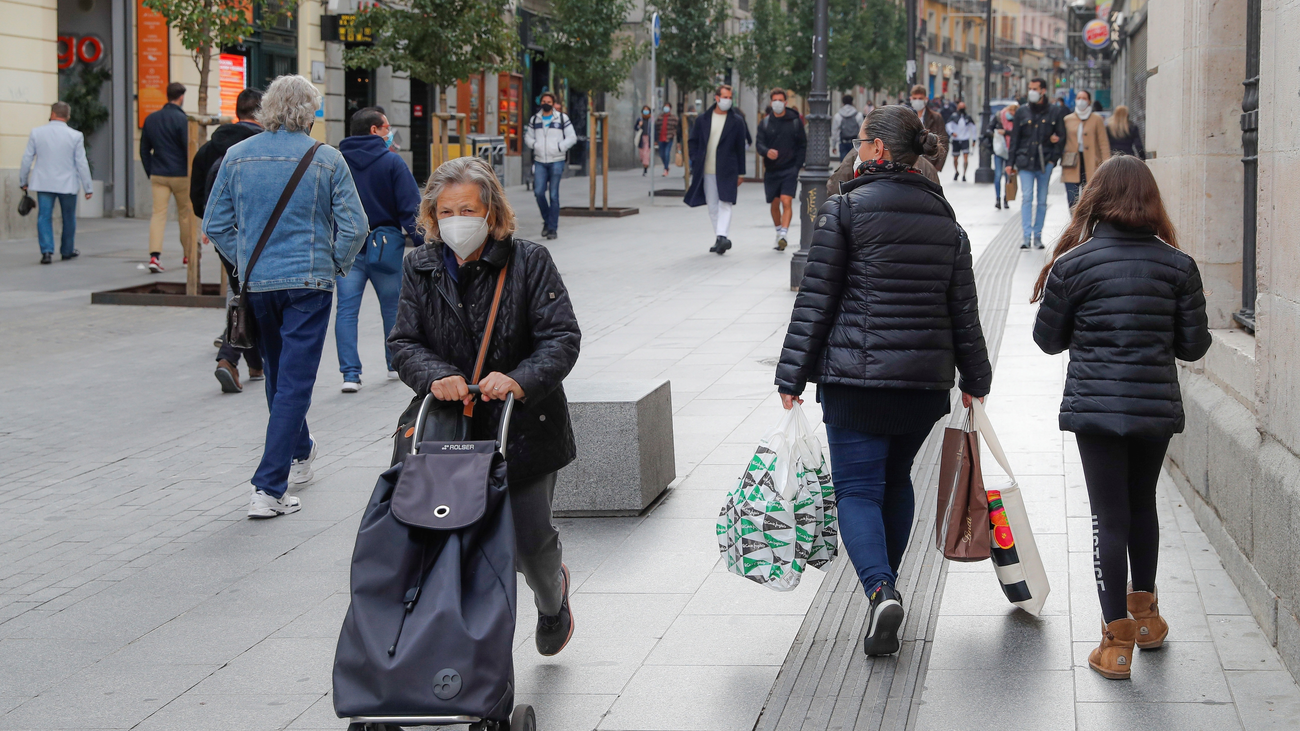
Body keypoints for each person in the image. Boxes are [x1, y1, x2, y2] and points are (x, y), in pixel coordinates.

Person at [776, 105, 992, 657]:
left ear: (877, 150)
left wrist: (791, 374)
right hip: (922, 387)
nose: (856, 147)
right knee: (895, 484)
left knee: (856, 490)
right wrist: (976, 378)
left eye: (862, 139)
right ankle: (887, 596)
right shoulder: (946, 220)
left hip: (856, 380)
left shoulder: (844, 210)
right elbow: (964, 311)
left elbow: (816, 301)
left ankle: (880, 592)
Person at [388, 156, 581, 657]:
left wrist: (518, 379)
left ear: (491, 212)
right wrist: (438, 376)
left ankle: (551, 598)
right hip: (449, 429)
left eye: (467, 209)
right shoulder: (419, 266)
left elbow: (561, 338)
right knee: (448, 535)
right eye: (446, 210)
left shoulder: (529, 261)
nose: (457, 220)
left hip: (523, 426)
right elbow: (403, 343)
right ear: (432, 215)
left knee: (530, 543)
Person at [1032, 155, 1210, 680]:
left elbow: (1047, 341)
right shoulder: (1179, 265)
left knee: (1108, 517)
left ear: (1096, 198)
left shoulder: (1074, 264)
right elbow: (1194, 346)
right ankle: (1147, 619)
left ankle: (1115, 644)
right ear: (1151, 200)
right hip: (1153, 408)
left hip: (1097, 410)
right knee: (1142, 507)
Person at [204, 74, 369, 519]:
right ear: (310, 113)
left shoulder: (236, 156)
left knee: (278, 376)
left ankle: (302, 450)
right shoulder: (327, 159)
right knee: (291, 380)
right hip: (308, 285)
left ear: (266, 109)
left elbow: (214, 224)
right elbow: (356, 227)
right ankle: (267, 488)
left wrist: (242, 261)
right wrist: (332, 265)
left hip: (259, 283)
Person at [335, 107, 424, 393]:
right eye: (387, 128)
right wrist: (425, 246)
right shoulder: (392, 163)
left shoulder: (336, 162)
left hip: (347, 246)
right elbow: (410, 210)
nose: (390, 133)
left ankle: (350, 374)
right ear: (375, 130)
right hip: (384, 246)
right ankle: (394, 363)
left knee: (346, 311)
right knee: (393, 308)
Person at [192, 88, 266, 394]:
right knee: (250, 299)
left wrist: (215, 228)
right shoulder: (261, 146)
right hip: (256, 236)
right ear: (261, 113)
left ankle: (254, 364)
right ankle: (228, 358)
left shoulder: (209, 148)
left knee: (242, 294)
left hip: (224, 235)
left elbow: (198, 199)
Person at [19, 101, 93, 265]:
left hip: (44, 183)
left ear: (52, 114)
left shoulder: (37, 133)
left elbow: (27, 159)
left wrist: (23, 180)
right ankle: (67, 251)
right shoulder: (75, 136)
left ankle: (46, 252)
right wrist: (88, 187)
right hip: (67, 184)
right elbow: (81, 162)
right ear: (67, 116)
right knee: (68, 218)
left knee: (44, 217)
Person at [684, 84, 747, 255]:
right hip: (706, 169)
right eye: (724, 97)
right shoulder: (703, 119)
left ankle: (722, 236)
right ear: (716, 98)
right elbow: (693, 141)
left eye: (730, 97)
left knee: (725, 203)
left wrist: (741, 172)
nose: (727, 100)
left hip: (728, 169)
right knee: (712, 205)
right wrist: (695, 159)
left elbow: (740, 148)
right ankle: (720, 238)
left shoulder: (737, 121)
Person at [140, 82, 195, 274]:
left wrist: (151, 171)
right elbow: (188, 148)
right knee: (185, 215)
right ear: (181, 97)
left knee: (158, 214)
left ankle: (154, 256)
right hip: (181, 174)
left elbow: (144, 149)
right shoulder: (183, 120)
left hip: (159, 174)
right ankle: (188, 255)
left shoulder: (151, 119)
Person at [1006, 77, 1066, 249]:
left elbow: (1061, 137)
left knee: (1041, 200)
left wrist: (1053, 160)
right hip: (1025, 161)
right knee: (1027, 198)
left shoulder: (1054, 111)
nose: (1031, 91)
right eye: (1030, 88)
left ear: (1043, 91)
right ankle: (1026, 236)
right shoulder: (1022, 112)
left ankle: (1037, 236)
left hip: (1044, 162)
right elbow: (1015, 138)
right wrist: (1010, 162)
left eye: (1035, 88)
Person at [756, 88, 807, 252]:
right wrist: (766, 152)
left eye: (780, 100)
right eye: (774, 100)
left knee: (786, 200)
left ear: (785, 102)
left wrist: (797, 166)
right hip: (771, 170)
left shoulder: (795, 121)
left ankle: (784, 234)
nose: (777, 103)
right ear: (771, 103)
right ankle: (778, 232)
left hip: (789, 169)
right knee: (774, 203)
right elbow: (759, 144)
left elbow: (802, 145)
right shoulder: (765, 123)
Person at [523, 92, 576, 241]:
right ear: (541, 103)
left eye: (549, 101)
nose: (546, 103)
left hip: (557, 160)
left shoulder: (561, 118)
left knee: (553, 195)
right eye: (544, 101)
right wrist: (535, 145)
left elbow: (572, 137)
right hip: (540, 160)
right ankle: (547, 221)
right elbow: (528, 137)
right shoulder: (535, 119)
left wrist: (560, 147)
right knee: (539, 192)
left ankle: (552, 228)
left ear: (553, 103)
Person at [1061, 90, 1111, 209]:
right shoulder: (1068, 119)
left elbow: (1103, 142)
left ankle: (1085, 223)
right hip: (1071, 162)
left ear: (1089, 101)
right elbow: (1061, 140)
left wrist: (1107, 162)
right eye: (1079, 98)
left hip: (1091, 163)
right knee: (1072, 198)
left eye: (1084, 98)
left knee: (1089, 197)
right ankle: (1074, 223)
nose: (1081, 101)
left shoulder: (1096, 119)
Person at [908, 85, 950, 171]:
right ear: (911, 99)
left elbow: (944, 142)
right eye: (915, 98)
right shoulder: (906, 117)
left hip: (929, 165)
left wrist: (937, 167)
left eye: (920, 98)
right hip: (909, 165)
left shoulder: (936, 118)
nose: (917, 101)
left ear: (925, 99)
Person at [988, 102, 1018, 209]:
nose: (1011, 115)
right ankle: (997, 199)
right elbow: (989, 129)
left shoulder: (1016, 120)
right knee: (997, 175)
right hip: (999, 150)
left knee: (1008, 176)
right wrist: (995, 134)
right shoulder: (999, 117)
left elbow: (1016, 134)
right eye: (1011, 112)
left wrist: (1005, 132)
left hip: (1010, 151)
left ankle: (1006, 198)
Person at [945, 102, 978, 182]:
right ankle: (956, 171)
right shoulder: (953, 116)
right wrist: (952, 133)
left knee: (965, 157)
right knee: (955, 158)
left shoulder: (968, 117)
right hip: (956, 139)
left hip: (965, 139)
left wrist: (974, 139)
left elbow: (973, 128)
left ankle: (964, 174)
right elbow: (948, 125)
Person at [654, 102, 680, 176]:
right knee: (661, 154)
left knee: (666, 153)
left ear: (670, 109)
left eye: (667, 107)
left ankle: (665, 169)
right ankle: (666, 166)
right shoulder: (660, 117)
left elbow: (677, 127)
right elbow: (656, 127)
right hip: (660, 138)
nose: (666, 108)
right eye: (665, 107)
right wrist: (655, 139)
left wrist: (674, 133)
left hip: (669, 138)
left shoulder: (673, 118)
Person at [836, 93, 864, 159]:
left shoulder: (838, 116)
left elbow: (835, 131)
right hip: (855, 143)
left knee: (843, 163)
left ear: (843, 103)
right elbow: (862, 129)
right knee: (854, 162)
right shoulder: (858, 115)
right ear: (852, 102)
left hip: (843, 142)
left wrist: (834, 145)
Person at [634, 105, 654, 176]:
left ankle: (645, 169)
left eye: (647, 110)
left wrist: (655, 139)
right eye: (644, 110)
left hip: (648, 138)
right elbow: (635, 128)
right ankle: (644, 163)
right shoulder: (640, 119)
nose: (646, 112)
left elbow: (654, 129)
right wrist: (639, 125)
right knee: (642, 155)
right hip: (641, 138)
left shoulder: (651, 119)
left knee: (646, 154)